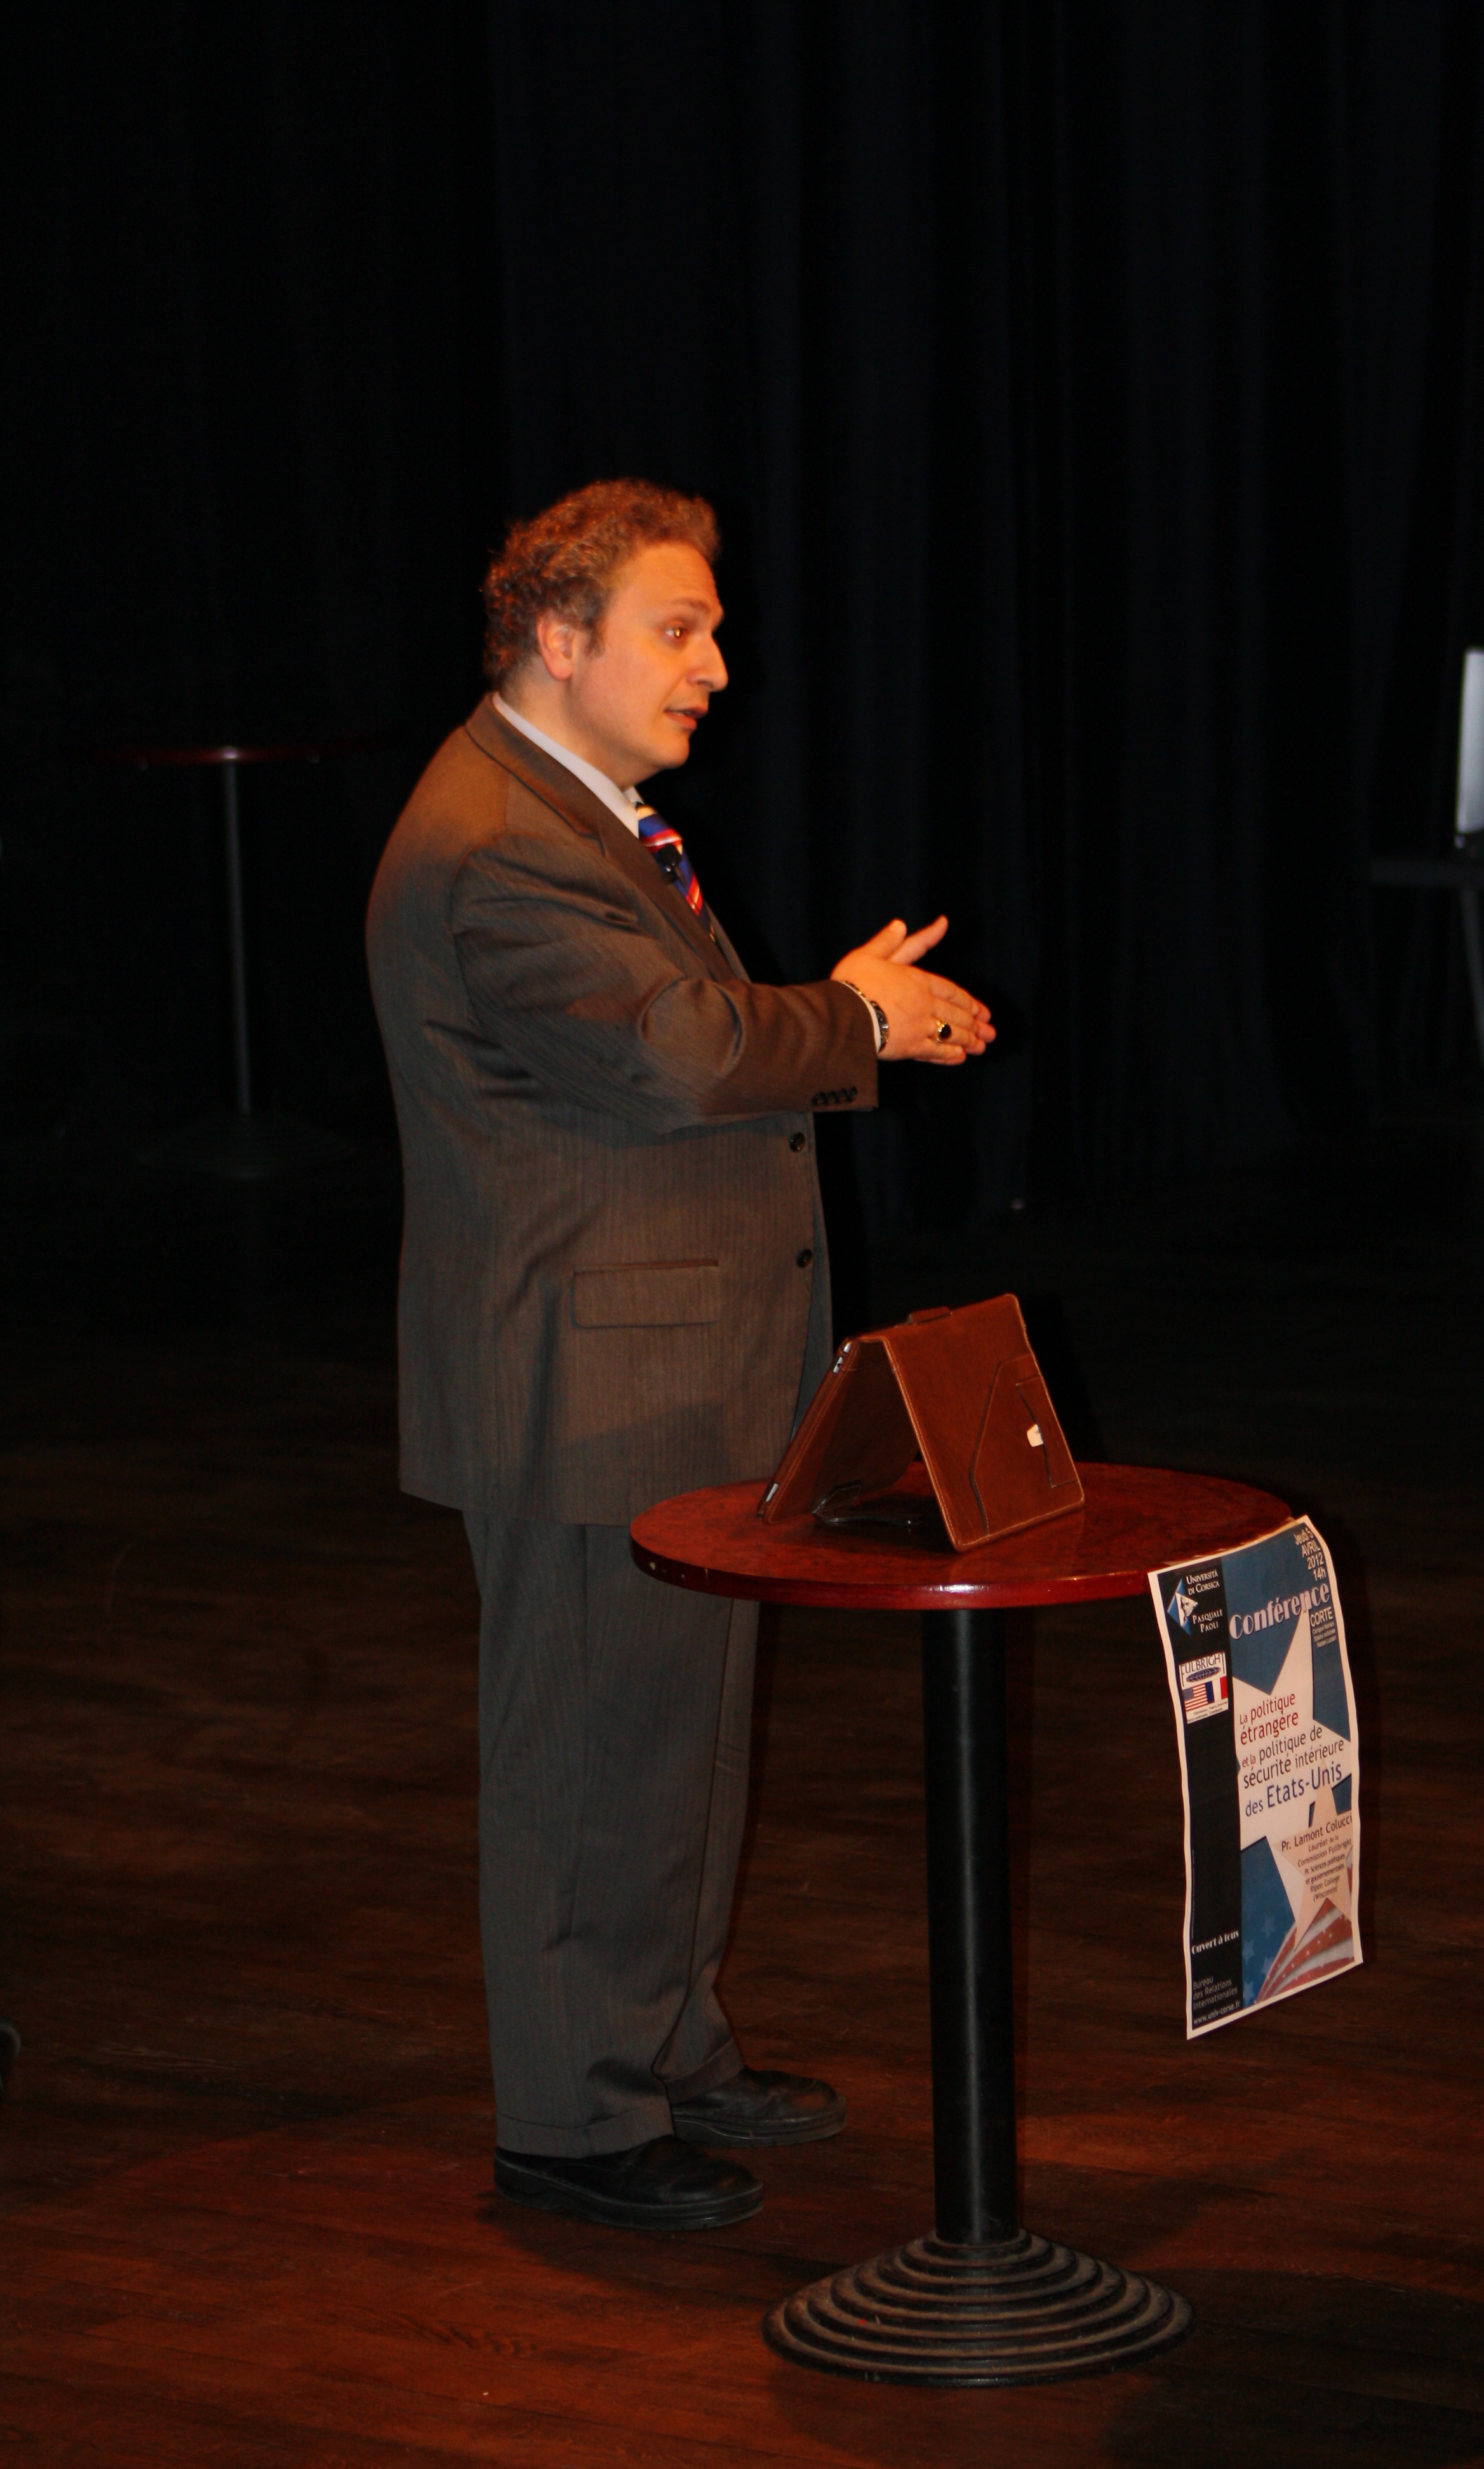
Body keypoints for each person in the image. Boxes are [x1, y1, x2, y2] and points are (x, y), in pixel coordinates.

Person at [366, 478, 993, 2232]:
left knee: (679, 1740)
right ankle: (574, 2123)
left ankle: (665, 2047)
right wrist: (856, 1017)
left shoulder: (586, 813)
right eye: (679, 628)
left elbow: (681, 1040)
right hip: (588, 1390)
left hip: (665, 1370)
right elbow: (673, 1056)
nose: (719, 664)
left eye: (712, 628)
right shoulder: (496, 840)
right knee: (592, 1757)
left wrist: (833, 1009)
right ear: (559, 639)